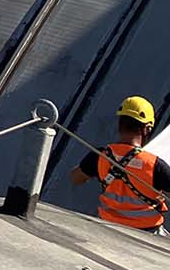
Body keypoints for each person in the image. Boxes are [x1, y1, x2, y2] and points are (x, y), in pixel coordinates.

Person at [69, 96, 168, 232]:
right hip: (146, 232)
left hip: (108, 227)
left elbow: (76, 178)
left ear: (120, 124)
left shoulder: (100, 156)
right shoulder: (154, 164)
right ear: (147, 129)